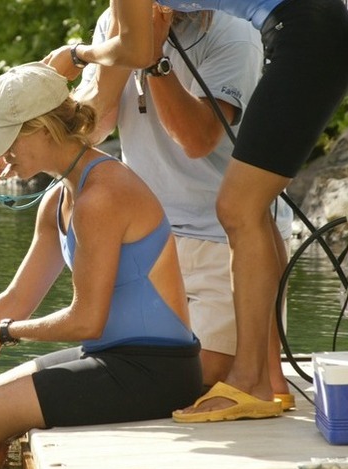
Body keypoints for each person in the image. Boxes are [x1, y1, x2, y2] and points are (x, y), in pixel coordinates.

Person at [46, 0, 348, 422]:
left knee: (238, 207)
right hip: (304, 30)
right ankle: (269, 380)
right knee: (248, 206)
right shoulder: (122, 18)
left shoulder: (229, 34)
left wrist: (75, 54)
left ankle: (252, 383)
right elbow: (102, 109)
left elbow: (140, 56)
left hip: (306, 31)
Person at [0, 61, 204, 467]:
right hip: (113, 357)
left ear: (42, 128)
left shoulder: (101, 197)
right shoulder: (59, 199)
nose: (2, 155)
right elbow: (18, 296)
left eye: (8, 140)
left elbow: (87, 320)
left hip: (155, 373)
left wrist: (2, 334)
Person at [74, 7, 295, 410]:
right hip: (151, 241)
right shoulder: (117, 21)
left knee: (190, 378)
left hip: (220, 243)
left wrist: (153, 60)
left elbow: (197, 139)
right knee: (123, 368)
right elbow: (92, 128)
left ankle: (261, 369)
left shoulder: (237, 34)